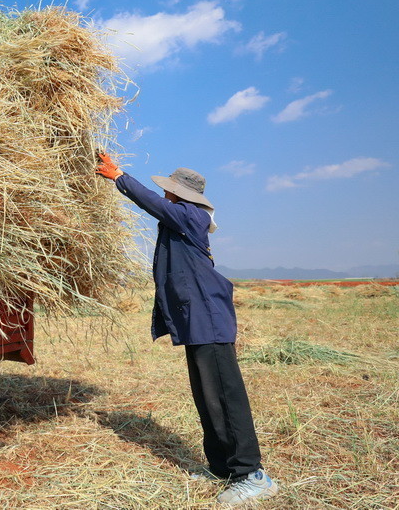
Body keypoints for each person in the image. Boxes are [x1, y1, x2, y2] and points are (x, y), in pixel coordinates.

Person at [95, 153, 279, 507]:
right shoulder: (180, 219)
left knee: (225, 398)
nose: (165, 194)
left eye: (170, 190)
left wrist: (120, 177)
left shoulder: (192, 216)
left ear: (180, 194)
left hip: (209, 321)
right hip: (197, 322)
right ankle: (222, 468)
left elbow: (154, 205)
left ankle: (253, 476)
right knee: (207, 398)